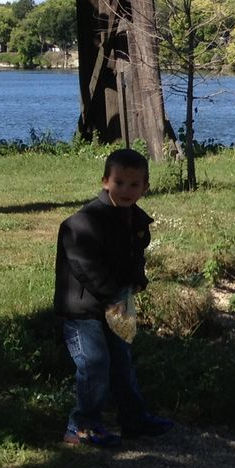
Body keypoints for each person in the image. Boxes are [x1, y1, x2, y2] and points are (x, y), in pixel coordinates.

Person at [54, 148, 173, 446]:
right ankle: (81, 426)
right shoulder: (82, 223)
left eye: (134, 184)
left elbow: (134, 257)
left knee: (122, 362)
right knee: (94, 364)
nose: (126, 190)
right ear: (105, 181)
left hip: (115, 304)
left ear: (145, 187)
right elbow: (84, 267)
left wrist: (137, 280)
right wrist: (112, 294)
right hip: (83, 309)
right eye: (119, 183)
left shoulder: (135, 221)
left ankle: (134, 419)